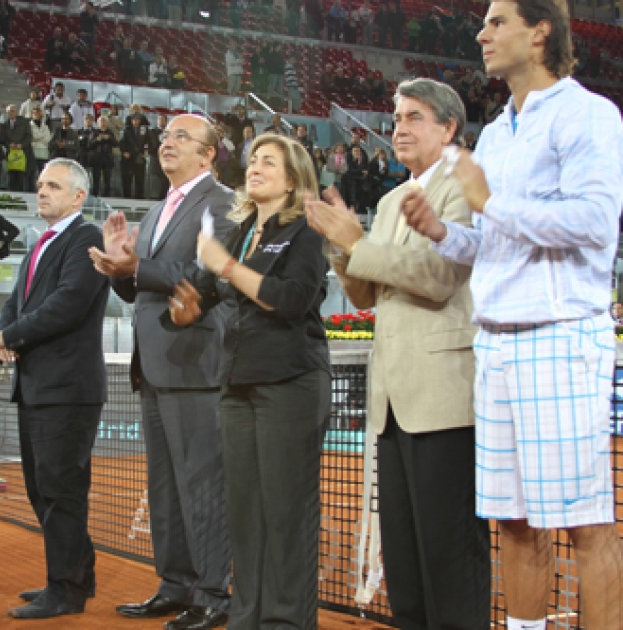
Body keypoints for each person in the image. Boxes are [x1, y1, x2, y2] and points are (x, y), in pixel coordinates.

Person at [402, 2, 623, 629]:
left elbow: (592, 223)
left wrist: (490, 201)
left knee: (584, 523)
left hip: (560, 337)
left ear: (541, 30)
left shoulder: (590, 115)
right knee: (516, 524)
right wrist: (444, 229)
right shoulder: (497, 134)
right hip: (495, 345)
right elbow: (489, 241)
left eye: (498, 20)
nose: (482, 32)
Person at [310, 78, 492, 630]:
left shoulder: (467, 188)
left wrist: (359, 245)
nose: (400, 128)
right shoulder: (390, 200)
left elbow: (438, 277)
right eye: (396, 118)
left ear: (449, 128)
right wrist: (344, 248)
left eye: (414, 117)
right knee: (406, 559)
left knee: (450, 554)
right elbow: (365, 294)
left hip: (444, 396)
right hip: (390, 400)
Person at [163, 133, 330, 630]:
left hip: (290, 382)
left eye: (269, 162)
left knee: (285, 513)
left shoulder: (305, 230)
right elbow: (205, 298)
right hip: (236, 384)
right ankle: (247, 617)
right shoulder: (238, 233)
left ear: (293, 178)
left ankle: (286, 622)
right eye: (253, 160)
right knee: (245, 512)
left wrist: (229, 269)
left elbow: (291, 298)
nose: (254, 168)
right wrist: (184, 310)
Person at [89, 114, 233, 630]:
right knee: (165, 487)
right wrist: (119, 267)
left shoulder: (222, 203)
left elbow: (205, 275)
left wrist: (137, 269)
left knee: (203, 485)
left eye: (181, 137)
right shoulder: (155, 211)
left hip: (196, 364)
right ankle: (175, 584)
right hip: (153, 366)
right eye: (164, 136)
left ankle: (214, 594)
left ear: (208, 154)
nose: (166, 143)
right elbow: (140, 287)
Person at [0, 159, 109, 620]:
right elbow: (16, 303)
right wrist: (5, 333)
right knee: (43, 490)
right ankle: (74, 575)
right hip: (37, 386)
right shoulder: (41, 242)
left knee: (61, 491)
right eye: (40, 186)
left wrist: (12, 337)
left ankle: (66, 591)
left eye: (53, 186)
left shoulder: (86, 238)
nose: (42, 192)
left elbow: (68, 305)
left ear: (78, 197)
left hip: (67, 388)